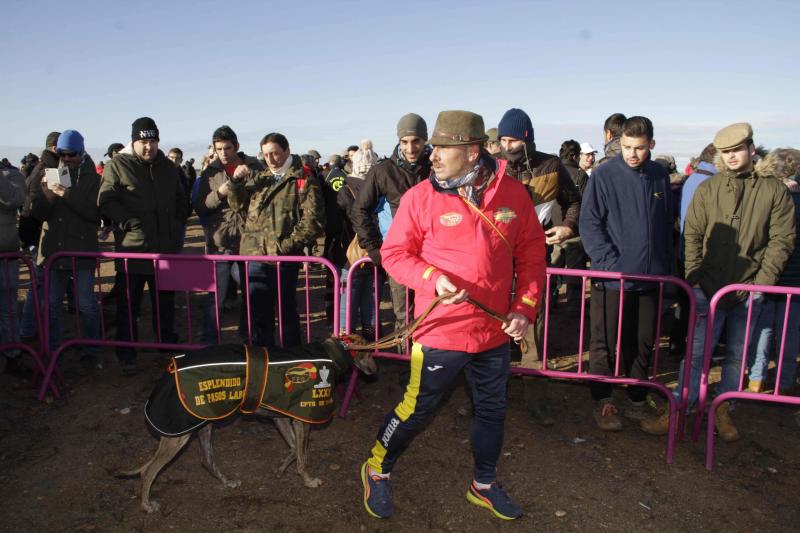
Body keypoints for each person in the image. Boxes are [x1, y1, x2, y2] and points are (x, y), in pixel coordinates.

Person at [360, 110, 546, 521]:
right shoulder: (419, 197)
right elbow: (393, 254)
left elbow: (533, 254)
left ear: (473, 151)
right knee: (418, 408)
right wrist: (430, 277)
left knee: (492, 410)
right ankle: (377, 469)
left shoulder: (513, 195)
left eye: (444, 148)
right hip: (441, 332)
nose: (433, 155)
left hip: (494, 332)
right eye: (434, 147)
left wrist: (525, 309)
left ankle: (483, 484)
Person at [641, 123, 795, 441]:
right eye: (726, 152)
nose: (732, 157)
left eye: (737, 150)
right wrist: (695, 278)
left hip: (751, 289)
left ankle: (723, 409)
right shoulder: (709, 189)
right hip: (706, 288)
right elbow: (692, 234)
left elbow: (782, 240)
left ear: (751, 149)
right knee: (696, 353)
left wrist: (762, 283)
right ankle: (677, 409)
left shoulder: (774, 191)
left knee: (738, 354)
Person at [579, 116, 674, 431]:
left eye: (640, 147)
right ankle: (602, 400)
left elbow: (665, 224)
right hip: (613, 280)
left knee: (643, 342)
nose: (632, 153)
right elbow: (589, 223)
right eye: (627, 147)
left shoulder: (660, 176)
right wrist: (609, 263)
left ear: (652, 145)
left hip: (650, 279)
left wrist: (664, 264)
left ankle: (636, 398)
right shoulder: (604, 175)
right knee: (603, 340)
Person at [495, 107, 581, 425]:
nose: (507, 145)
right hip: (496, 262)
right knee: (493, 327)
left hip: (534, 260)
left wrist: (567, 227)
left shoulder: (551, 166)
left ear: (527, 138)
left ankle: (535, 397)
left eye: (513, 139)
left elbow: (574, 201)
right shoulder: (492, 167)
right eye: (502, 139)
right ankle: (491, 398)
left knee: (533, 326)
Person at [98, 117, 189, 375]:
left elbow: (182, 197)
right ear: (134, 141)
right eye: (143, 141)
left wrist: (177, 221)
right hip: (133, 250)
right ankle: (127, 353)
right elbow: (106, 201)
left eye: (153, 141)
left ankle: (167, 348)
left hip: (166, 249)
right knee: (130, 304)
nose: (148, 147)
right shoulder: (118, 165)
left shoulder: (168, 167)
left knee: (165, 302)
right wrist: (129, 222)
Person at [226, 132, 324, 348]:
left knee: (286, 311)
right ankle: (266, 358)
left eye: (275, 153)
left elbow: (314, 220)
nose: (270, 159)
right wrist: (235, 182)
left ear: (287, 151)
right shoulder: (260, 177)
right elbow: (236, 205)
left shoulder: (303, 179)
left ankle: (291, 359)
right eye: (265, 155)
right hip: (254, 256)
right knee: (260, 314)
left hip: (283, 258)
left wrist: (285, 247)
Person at [351, 113, 432, 336]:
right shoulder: (383, 170)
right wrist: (374, 247)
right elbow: (359, 209)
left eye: (416, 141)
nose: (411, 147)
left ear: (425, 140)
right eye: (404, 141)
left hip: (434, 252)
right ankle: (405, 362)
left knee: (434, 310)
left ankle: (432, 362)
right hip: (400, 253)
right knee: (404, 313)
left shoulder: (437, 167)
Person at [30, 130, 102, 371]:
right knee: (50, 304)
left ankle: (91, 348)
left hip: (82, 251)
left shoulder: (93, 178)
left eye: (72, 154)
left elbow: (95, 214)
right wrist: (47, 198)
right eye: (62, 154)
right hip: (54, 251)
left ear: (81, 153)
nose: (67, 158)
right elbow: (37, 214)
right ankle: (53, 349)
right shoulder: (49, 173)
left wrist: (68, 195)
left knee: (86, 304)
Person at [192, 125, 264, 342]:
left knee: (251, 295)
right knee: (216, 295)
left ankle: (247, 338)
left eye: (228, 148)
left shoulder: (254, 166)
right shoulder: (210, 172)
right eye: (219, 149)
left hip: (249, 240)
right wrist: (220, 192)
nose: (224, 153)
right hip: (220, 241)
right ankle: (208, 341)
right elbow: (200, 206)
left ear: (237, 146)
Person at [19, 132, 60, 345]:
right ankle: (29, 331)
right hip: (41, 237)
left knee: (40, 287)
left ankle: (29, 329)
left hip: (37, 234)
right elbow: (53, 204)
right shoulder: (51, 169)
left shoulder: (45, 166)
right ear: (54, 147)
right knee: (40, 287)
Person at [336, 140, 380, 338]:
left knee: (348, 300)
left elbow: (338, 223)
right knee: (371, 299)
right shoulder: (379, 190)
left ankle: (348, 338)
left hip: (350, 252)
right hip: (377, 251)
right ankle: (371, 337)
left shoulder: (344, 191)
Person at [0, 160, 26, 373]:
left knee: (8, 310)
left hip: (5, 255)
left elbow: (14, 199)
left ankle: (13, 356)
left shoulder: (12, 175)